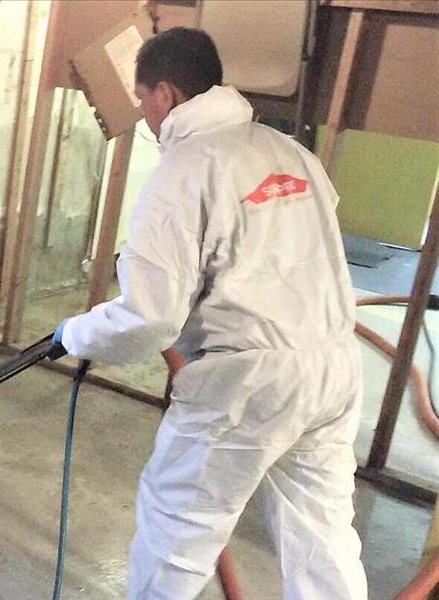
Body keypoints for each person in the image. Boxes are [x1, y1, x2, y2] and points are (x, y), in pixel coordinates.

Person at [51, 27, 367, 600]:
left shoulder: (183, 170)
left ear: (165, 94)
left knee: (179, 529)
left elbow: (149, 318)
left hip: (247, 382)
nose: (143, 113)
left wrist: (75, 333)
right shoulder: (289, 153)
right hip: (335, 369)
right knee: (322, 533)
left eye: (143, 98)